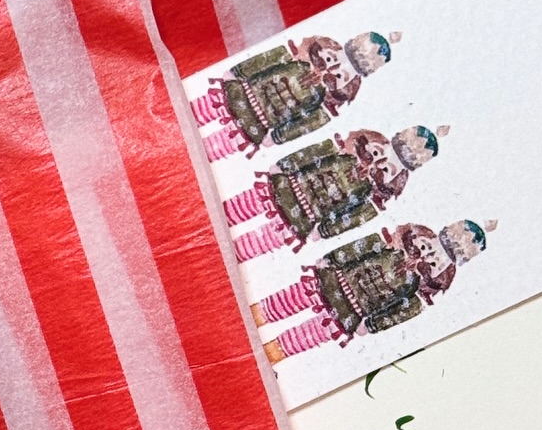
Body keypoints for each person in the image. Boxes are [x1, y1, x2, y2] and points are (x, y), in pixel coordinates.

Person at [253, 218, 493, 363]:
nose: (428, 256)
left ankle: (270, 355)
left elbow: (406, 309)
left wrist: (372, 325)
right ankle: (254, 317)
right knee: (288, 300)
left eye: (437, 261)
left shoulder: (432, 283)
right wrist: (334, 258)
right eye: (429, 248)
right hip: (336, 279)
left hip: (355, 311)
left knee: (309, 335)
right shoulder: (405, 238)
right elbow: (367, 245)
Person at [222, 125, 445, 259]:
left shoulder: (380, 191)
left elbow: (357, 215)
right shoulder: (350, 148)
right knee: (234, 210)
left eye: (387, 169)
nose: (374, 164)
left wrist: (324, 232)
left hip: (306, 218)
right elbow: (318, 152)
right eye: (376, 154)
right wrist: (286, 164)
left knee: (255, 245)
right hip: (289, 184)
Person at [190, 29, 399, 160]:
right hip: (242, 91)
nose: (326, 71)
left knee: (211, 152)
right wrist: (239, 71)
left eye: (339, 76)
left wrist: (278, 137)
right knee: (194, 114)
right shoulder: (302, 56)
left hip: (260, 124)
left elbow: (309, 122)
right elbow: (271, 58)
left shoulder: (328, 99)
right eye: (327, 60)